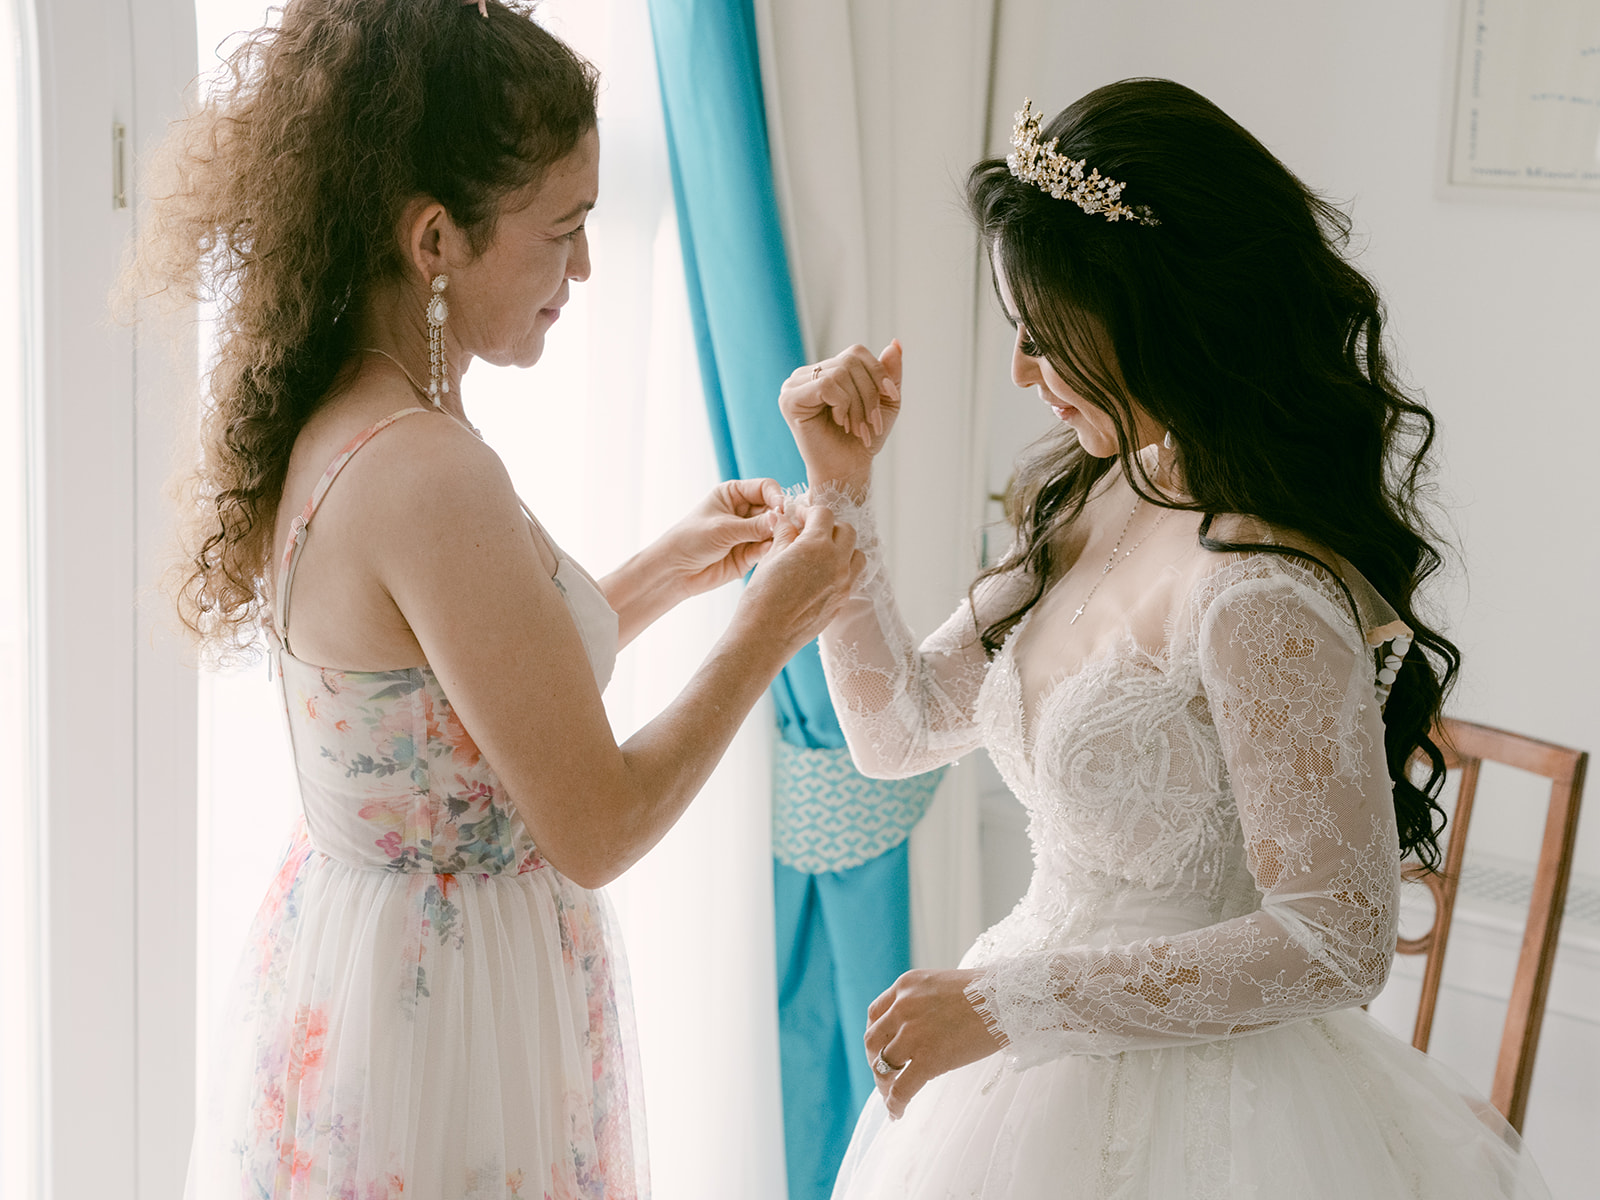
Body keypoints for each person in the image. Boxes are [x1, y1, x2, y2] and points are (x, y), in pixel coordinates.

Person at [128, 2, 861, 1196]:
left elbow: (462, 711)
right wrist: (771, 626)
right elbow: (598, 822)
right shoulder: (428, 470)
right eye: (562, 231)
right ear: (435, 240)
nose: (582, 268)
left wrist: (673, 567)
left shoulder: (362, 418)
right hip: (451, 1025)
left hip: (381, 975)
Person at [776, 80, 1551, 1198]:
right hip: (1019, 1093)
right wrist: (838, 489)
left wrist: (1003, 1003)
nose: (1022, 376)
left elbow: (1336, 940)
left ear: (1159, 317)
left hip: (1218, 1121)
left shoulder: (1259, 591)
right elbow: (893, 731)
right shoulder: (1093, 499)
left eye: (1046, 341)